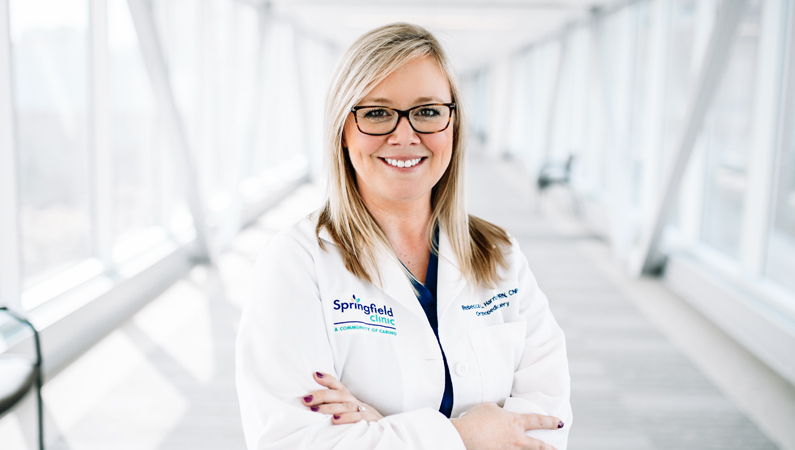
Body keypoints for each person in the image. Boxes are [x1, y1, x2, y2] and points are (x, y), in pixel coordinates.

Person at [235, 22, 572, 450]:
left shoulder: (500, 253)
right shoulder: (297, 262)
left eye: (428, 111)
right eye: (377, 112)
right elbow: (293, 440)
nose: (405, 135)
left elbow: (545, 425)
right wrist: (463, 437)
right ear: (343, 130)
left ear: (454, 124)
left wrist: (378, 430)